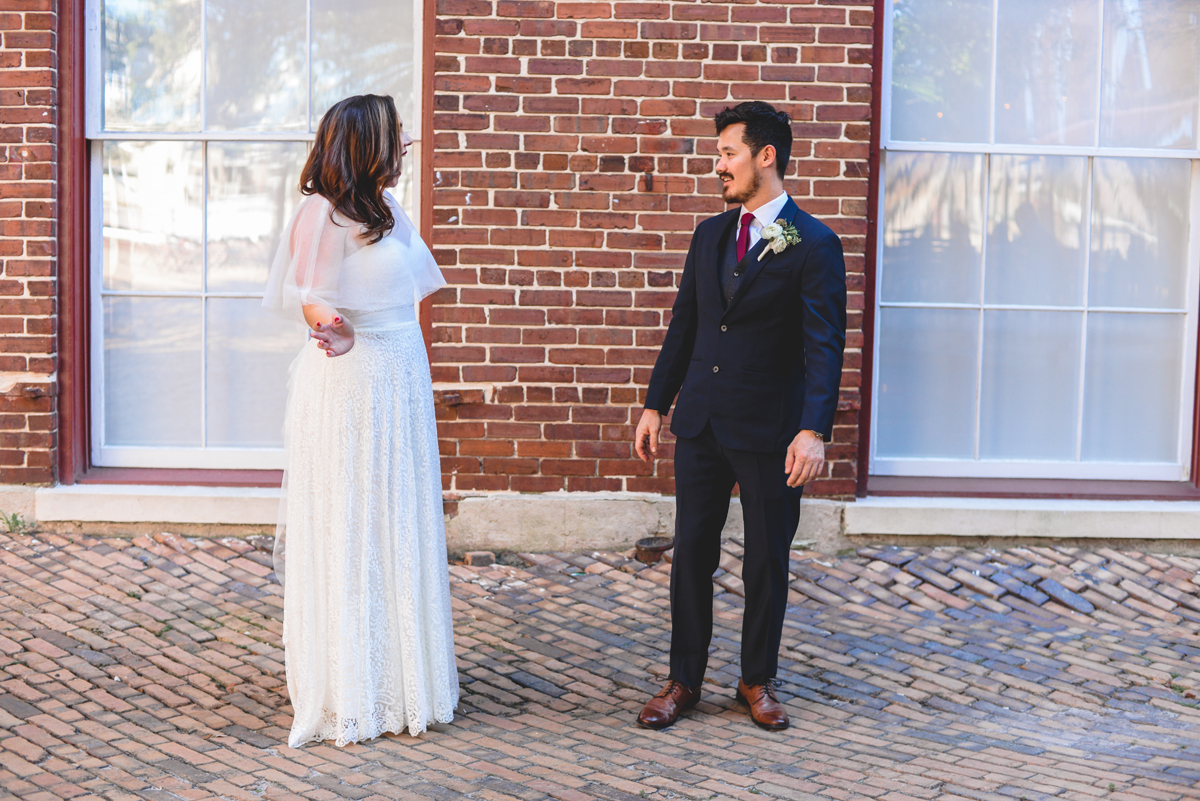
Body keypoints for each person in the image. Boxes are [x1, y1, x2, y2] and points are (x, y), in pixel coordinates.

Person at [633, 101, 847, 731]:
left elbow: (824, 345)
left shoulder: (815, 243)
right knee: (693, 553)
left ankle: (757, 679)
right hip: (700, 421)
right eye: (719, 154)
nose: (718, 165)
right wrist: (655, 404)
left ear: (765, 157)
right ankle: (683, 681)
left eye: (728, 153)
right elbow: (686, 326)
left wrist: (813, 430)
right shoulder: (709, 236)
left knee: (765, 561)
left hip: (771, 430)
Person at [263, 94, 458, 748]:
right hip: (352, 381)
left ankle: (408, 682)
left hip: (400, 377)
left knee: (397, 520)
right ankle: (354, 689)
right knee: (353, 522)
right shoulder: (321, 212)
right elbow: (311, 298)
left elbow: (408, 290)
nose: (406, 144)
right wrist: (334, 329)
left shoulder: (390, 210)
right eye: (396, 135)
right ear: (367, 141)